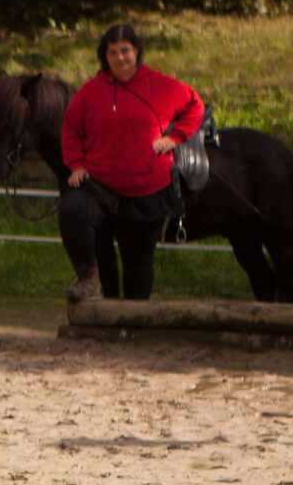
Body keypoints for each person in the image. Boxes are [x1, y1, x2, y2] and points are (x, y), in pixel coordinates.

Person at [59, 23, 204, 302]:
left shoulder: (162, 86)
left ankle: (134, 323)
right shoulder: (90, 92)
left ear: (137, 52)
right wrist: (76, 164)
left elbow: (195, 106)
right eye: (112, 52)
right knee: (71, 210)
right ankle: (89, 281)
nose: (120, 58)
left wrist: (175, 138)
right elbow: (71, 130)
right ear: (105, 56)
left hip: (146, 188)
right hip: (99, 187)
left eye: (125, 50)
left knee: (137, 261)